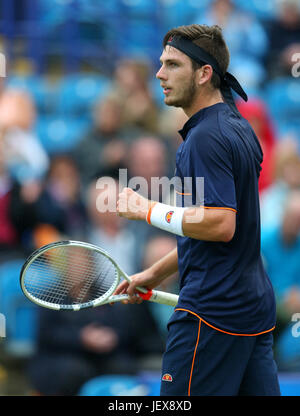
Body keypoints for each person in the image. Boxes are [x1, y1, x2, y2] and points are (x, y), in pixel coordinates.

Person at [114, 24, 280, 396]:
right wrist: (156, 273)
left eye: (172, 65)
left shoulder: (204, 139)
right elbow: (211, 232)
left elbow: (221, 225)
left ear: (204, 73)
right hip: (251, 308)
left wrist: (147, 210)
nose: (159, 74)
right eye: (161, 64)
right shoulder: (238, 126)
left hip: (211, 313)